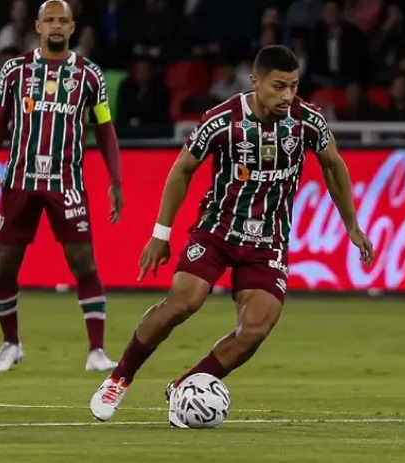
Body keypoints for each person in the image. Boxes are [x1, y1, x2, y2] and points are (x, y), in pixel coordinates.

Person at [89, 45, 375, 426]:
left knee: (257, 327)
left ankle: (186, 386)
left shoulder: (308, 121)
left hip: (268, 241)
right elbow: (182, 170)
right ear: (255, 82)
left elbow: (333, 165)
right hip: (218, 231)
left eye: (293, 86)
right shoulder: (222, 120)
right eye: (278, 87)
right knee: (182, 303)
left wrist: (352, 224)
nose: (287, 96)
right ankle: (119, 378)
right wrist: (161, 233)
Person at [0, 0, 123, 373]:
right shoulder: (14, 72)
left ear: (72, 28)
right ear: (38, 27)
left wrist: (116, 181)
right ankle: (10, 344)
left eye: (63, 20)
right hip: (20, 182)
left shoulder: (90, 76)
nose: (56, 26)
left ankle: (96, 351)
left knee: (82, 261)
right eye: (49, 20)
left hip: (66, 184)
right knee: (4, 266)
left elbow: (104, 130)